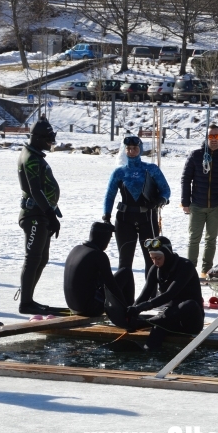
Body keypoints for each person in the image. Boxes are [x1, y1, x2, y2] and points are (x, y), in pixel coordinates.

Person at [105, 236, 205, 351]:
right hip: (169, 318)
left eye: (158, 258)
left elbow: (169, 294)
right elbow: (145, 294)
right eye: (152, 258)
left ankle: (144, 323)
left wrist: (141, 308)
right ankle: (147, 354)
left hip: (191, 320)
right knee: (159, 327)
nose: (155, 262)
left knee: (187, 305)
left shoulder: (186, 266)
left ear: (167, 254)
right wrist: (133, 310)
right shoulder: (155, 269)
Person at [103, 135, 171, 277]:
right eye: (128, 148)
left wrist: (160, 201)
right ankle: (124, 297)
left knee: (152, 260)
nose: (131, 151)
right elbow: (110, 195)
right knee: (124, 262)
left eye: (135, 148)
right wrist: (106, 216)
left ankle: (152, 296)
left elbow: (166, 190)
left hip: (148, 219)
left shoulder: (151, 169)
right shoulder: (119, 172)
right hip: (124, 220)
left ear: (140, 149)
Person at [16, 117, 61, 315]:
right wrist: (51, 214)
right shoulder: (31, 158)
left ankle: (29, 298)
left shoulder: (35, 155)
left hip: (41, 214)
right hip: (34, 214)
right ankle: (25, 302)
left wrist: (52, 211)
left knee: (42, 258)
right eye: (48, 140)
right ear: (38, 138)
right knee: (33, 258)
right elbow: (35, 190)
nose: (50, 144)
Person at [181, 124, 218, 277]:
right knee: (194, 239)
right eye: (211, 136)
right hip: (197, 204)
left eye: (216, 136)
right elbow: (186, 178)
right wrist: (185, 201)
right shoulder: (196, 155)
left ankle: (206, 270)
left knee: (211, 240)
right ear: (206, 137)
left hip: (216, 206)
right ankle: (189, 270)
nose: (214, 139)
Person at [63, 222, 133, 316]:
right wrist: (125, 308)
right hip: (90, 309)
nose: (108, 243)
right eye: (109, 238)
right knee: (126, 272)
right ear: (103, 238)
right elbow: (112, 287)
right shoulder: (98, 255)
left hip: (73, 307)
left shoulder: (76, 249)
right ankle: (130, 310)